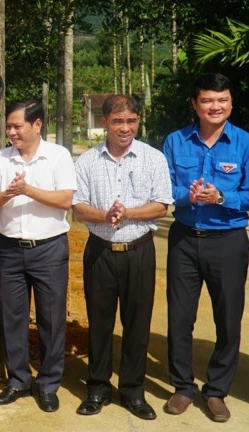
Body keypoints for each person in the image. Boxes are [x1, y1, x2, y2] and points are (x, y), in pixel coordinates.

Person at [161, 72, 249, 423]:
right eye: (207, 100)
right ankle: (183, 386)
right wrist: (184, 196)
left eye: (222, 100)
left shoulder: (248, 145)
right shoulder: (176, 141)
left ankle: (217, 390)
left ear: (231, 104)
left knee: (228, 318)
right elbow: (166, 189)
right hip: (185, 238)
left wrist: (221, 196)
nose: (214, 107)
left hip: (229, 241)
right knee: (179, 317)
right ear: (195, 104)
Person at [71, 95, 171, 420]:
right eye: (117, 122)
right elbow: (78, 207)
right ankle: (98, 387)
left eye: (130, 121)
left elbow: (162, 204)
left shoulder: (153, 159)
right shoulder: (86, 161)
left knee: (137, 324)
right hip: (100, 252)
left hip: (139, 251)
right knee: (99, 323)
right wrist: (104, 216)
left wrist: (127, 213)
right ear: (105, 124)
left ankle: (132, 390)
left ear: (138, 121)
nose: (124, 128)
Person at [0, 99, 76, 411]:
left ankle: (49, 384)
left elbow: (65, 200)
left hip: (48, 249)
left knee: (51, 319)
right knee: (13, 318)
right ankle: (18, 380)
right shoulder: (1, 158)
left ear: (37, 125)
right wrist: (9, 193)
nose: (11, 132)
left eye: (17, 126)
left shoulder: (58, 156)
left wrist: (27, 190)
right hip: (10, 250)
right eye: (9, 126)